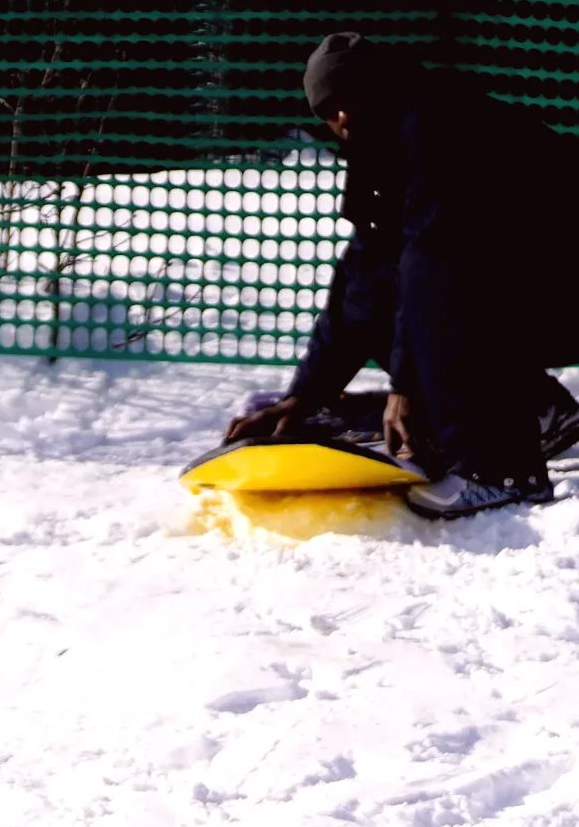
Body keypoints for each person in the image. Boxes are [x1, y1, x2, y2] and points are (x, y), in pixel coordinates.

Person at [225, 31, 579, 518]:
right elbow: (366, 276)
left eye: (343, 104)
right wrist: (306, 395)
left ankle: (504, 469)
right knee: (380, 291)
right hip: (532, 281)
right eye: (329, 113)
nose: (340, 120)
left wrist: (407, 387)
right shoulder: (384, 142)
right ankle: (539, 411)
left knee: (438, 288)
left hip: (562, 281)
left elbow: (438, 263)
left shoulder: (444, 126)